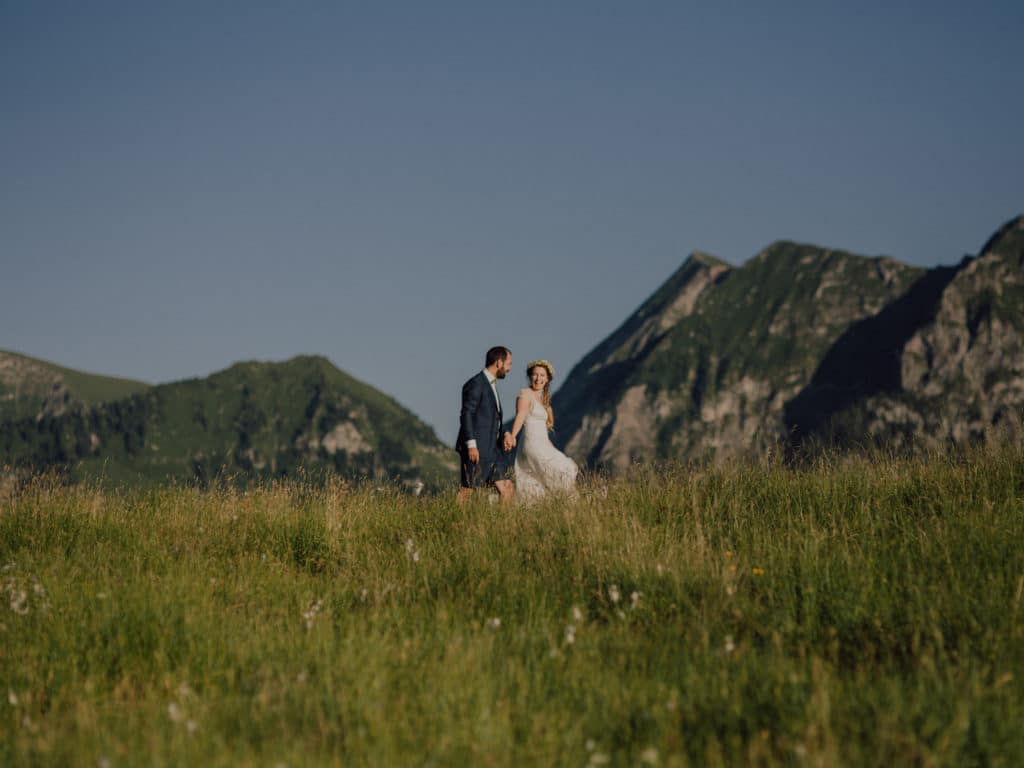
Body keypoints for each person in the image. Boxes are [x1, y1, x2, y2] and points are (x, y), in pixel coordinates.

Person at [510, 359, 578, 502]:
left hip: (542, 443)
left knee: (538, 479)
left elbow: (543, 430)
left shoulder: (543, 400)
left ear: (547, 379)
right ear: (529, 377)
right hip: (531, 443)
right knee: (563, 468)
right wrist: (512, 436)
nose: (538, 378)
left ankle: (543, 507)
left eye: (542, 375)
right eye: (535, 375)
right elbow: (521, 415)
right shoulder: (525, 394)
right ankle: (568, 502)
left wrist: (551, 447)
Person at [455, 346, 516, 504]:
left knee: (507, 488)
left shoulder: (492, 385)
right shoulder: (476, 384)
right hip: (477, 449)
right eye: (508, 364)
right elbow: (466, 414)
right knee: (468, 490)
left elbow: (493, 419)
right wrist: (471, 445)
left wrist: (505, 434)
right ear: (498, 363)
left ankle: (504, 527)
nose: (509, 369)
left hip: (493, 450)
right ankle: (451, 521)